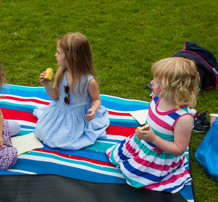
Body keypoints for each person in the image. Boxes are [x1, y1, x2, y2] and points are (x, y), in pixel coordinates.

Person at [106, 57, 200, 193]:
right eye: (154, 79)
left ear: (175, 89)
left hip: (160, 155)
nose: (151, 83)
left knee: (133, 175)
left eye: (157, 83)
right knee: (117, 156)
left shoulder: (183, 118)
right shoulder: (157, 98)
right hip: (144, 143)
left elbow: (179, 149)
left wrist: (153, 139)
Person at [33, 32, 110, 150]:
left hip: (77, 117)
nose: (55, 55)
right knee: (42, 131)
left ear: (70, 57)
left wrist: (93, 110)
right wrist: (46, 84)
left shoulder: (89, 81)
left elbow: (96, 99)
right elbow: (54, 97)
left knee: (63, 139)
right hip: (59, 111)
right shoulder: (61, 73)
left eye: (59, 53)